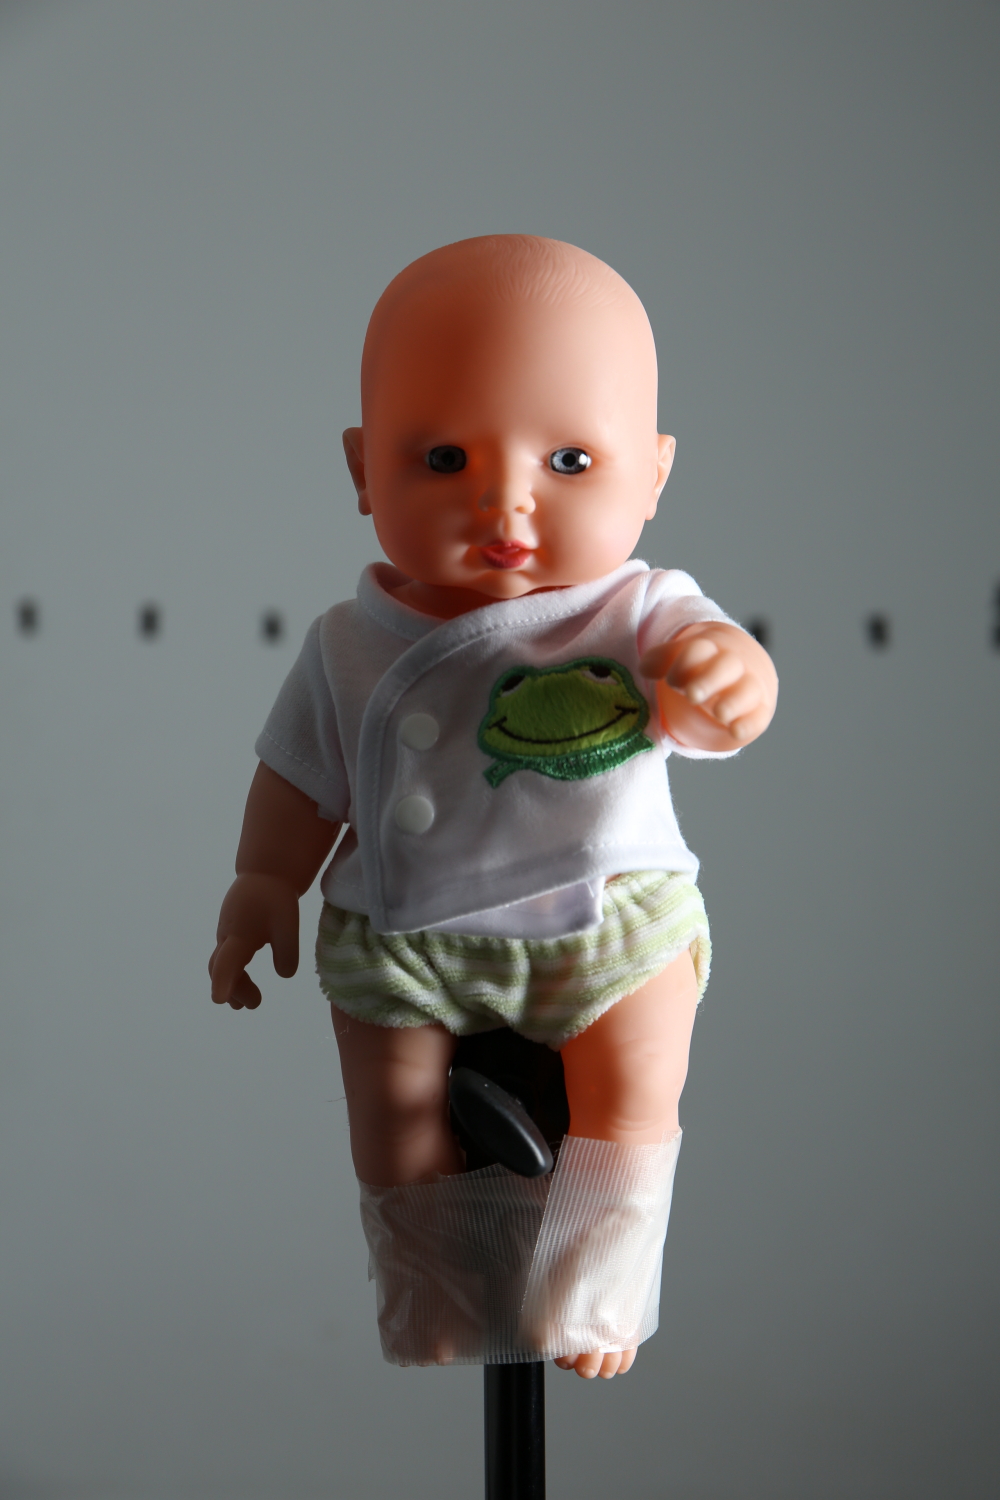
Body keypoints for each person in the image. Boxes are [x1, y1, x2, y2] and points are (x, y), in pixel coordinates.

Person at [209, 235, 777, 1379]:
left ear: (652, 475)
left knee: (632, 1089)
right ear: (363, 469)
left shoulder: (641, 609)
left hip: (604, 916)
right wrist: (263, 881)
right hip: (403, 931)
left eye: (569, 459)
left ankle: (596, 1293)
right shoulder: (349, 643)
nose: (504, 497)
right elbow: (298, 778)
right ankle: (436, 1288)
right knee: (394, 1112)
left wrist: (728, 682)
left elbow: (719, 693)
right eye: (443, 457)